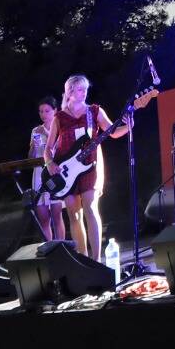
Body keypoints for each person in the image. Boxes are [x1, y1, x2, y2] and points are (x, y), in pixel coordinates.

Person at [52, 75, 130, 257]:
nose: (84, 93)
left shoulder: (94, 111)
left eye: (85, 89)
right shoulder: (60, 117)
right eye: (79, 89)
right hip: (68, 171)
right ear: (70, 92)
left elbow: (113, 132)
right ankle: (83, 258)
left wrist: (128, 127)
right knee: (74, 214)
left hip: (90, 166)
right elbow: (49, 148)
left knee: (90, 208)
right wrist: (50, 163)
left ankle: (96, 259)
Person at [29, 96, 68, 243]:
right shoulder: (36, 131)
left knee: (57, 215)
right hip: (39, 174)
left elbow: (62, 150)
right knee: (43, 217)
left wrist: (48, 135)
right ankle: (49, 250)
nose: (43, 114)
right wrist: (33, 145)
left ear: (54, 111)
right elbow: (31, 156)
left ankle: (61, 247)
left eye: (47, 111)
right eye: (41, 111)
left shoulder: (60, 128)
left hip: (54, 172)